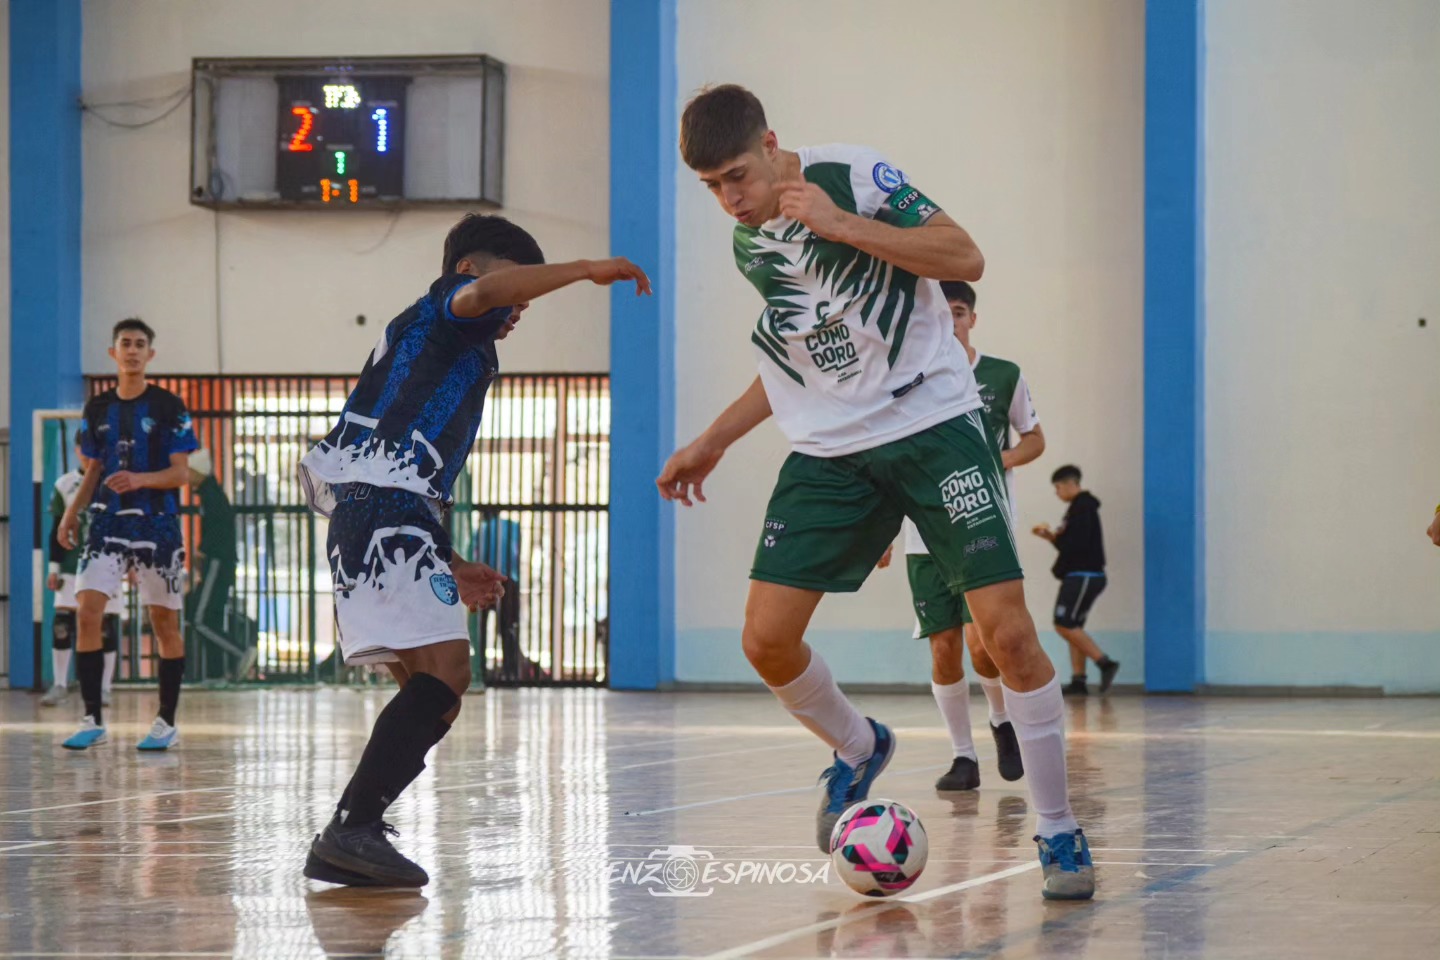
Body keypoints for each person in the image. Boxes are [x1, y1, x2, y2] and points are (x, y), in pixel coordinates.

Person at [656, 84, 1093, 899]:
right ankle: (859, 746)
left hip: (934, 421)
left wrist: (842, 224)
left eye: (738, 176)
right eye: (711, 187)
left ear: (773, 143)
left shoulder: (853, 176)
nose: (729, 199)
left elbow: (965, 258)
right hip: (833, 448)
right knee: (765, 640)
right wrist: (711, 441)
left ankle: (1059, 831)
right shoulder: (749, 245)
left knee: (1008, 638)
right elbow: (797, 358)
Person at [297, 213, 650, 888]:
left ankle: (357, 828)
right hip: (381, 508)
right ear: (469, 272)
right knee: (448, 671)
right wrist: (584, 270)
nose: (518, 308)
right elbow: (482, 296)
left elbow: (411, 467)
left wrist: (447, 559)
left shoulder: (456, 348)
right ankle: (351, 828)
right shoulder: (447, 310)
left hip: (389, 512)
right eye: (514, 293)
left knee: (436, 693)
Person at [890, 280, 1044, 792]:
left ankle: (1001, 720)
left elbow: (1035, 439)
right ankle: (962, 758)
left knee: (985, 644)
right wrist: (882, 530)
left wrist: (1000, 459)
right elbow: (888, 458)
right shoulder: (903, 378)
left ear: (971, 318)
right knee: (944, 647)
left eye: (958, 312)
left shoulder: (1003, 375)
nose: (950, 321)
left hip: (983, 520)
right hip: (923, 532)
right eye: (942, 312)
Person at [58, 318, 199, 751]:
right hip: (106, 522)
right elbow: (93, 469)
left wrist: (139, 480)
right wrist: (70, 513)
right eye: (125, 343)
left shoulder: (169, 405)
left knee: (163, 621)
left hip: (157, 525)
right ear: (113, 353)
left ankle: (166, 721)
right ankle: (91, 717)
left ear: (150, 354)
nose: (133, 350)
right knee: (86, 611)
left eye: (140, 344)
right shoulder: (97, 409)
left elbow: (181, 472)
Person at [43, 442, 124, 707]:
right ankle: (59, 684)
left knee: (106, 627)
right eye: (85, 450)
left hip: (107, 565)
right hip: (71, 566)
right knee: (62, 624)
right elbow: (56, 527)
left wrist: (130, 565)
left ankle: (104, 688)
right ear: (77, 450)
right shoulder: (64, 484)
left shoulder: (114, 483)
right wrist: (53, 568)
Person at [1033, 465, 1118, 695]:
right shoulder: (1078, 509)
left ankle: (1105, 663)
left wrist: (1057, 539)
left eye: (1058, 487)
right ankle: (1079, 680)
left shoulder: (1082, 509)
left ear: (1072, 484)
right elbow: (1070, 543)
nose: (1057, 492)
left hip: (1083, 575)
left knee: (1064, 624)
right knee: (1074, 626)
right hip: (1082, 575)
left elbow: (1075, 545)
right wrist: (1052, 537)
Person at [183, 449, 243, 679]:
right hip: (220, 562)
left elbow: (218, 530)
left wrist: (203, 551)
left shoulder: (212, 497)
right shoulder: (211, 494)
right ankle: (216, 674)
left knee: (199, 619)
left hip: (217, 563)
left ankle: (238, 652)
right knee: (211, 618)